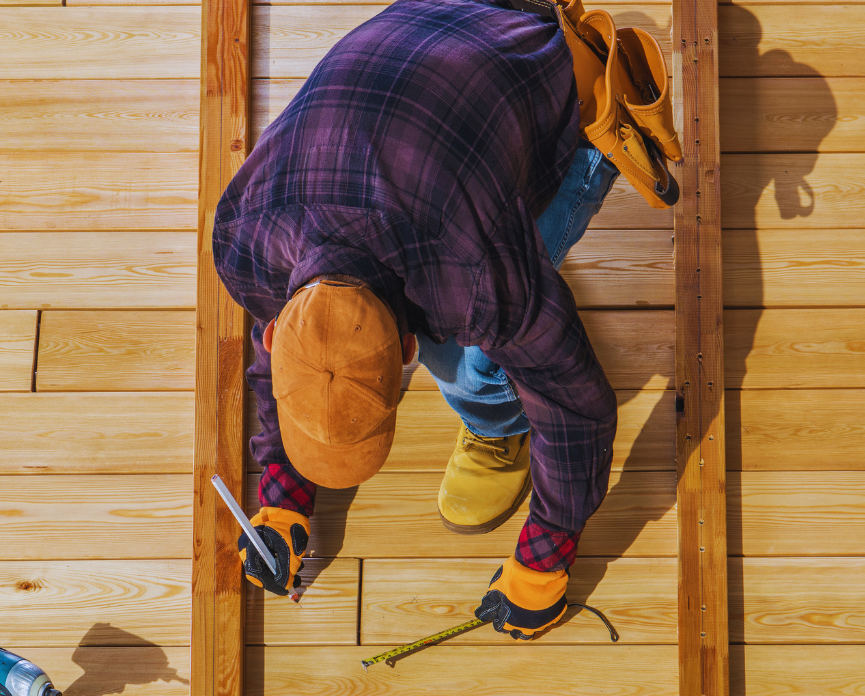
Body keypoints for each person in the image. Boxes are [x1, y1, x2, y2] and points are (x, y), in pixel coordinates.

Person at [213, 0, 623, 640]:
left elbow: (577, 402)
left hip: (558, 76)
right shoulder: (245, 241)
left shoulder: (470, 270)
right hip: (432, 31)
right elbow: (289, 359)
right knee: (477, 318)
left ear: (407, 346)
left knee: (466, 363)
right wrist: (280, 496)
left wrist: (545, 559)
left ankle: (497, 425)